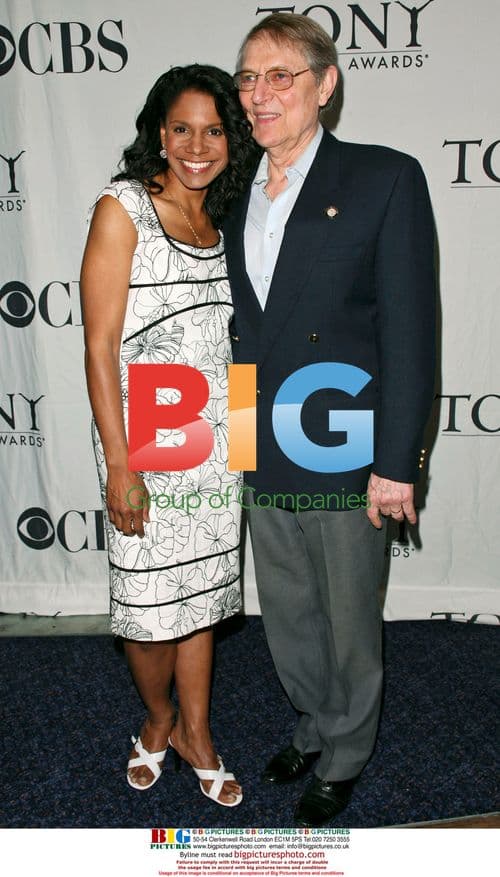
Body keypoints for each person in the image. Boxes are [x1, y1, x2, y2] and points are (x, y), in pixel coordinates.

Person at [224, 14, 436, 826]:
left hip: (345, 435)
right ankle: (313, 722)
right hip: (257, 427)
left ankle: (347, 748)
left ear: (325, 83)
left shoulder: (384, 176)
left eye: (281, 75)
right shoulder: (232, 181)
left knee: (349, 611)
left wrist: (399, 460)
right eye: (248, 77)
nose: (260, 93)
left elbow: (411, 331)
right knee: (285, 605)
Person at [80, 64, 258, 807]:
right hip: (148, 439)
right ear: (159, 130)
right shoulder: (124, 207)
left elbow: (237, 337)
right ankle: (157, 720)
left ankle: (198, 731)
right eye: (182, 127)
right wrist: (121, 462)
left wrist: (246, 440)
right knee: (150, 609)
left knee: (205, 600)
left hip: (221, 433)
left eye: (214, 130)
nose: (197, 144)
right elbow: (99, 343)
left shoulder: (229, 217)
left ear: (231, 139)